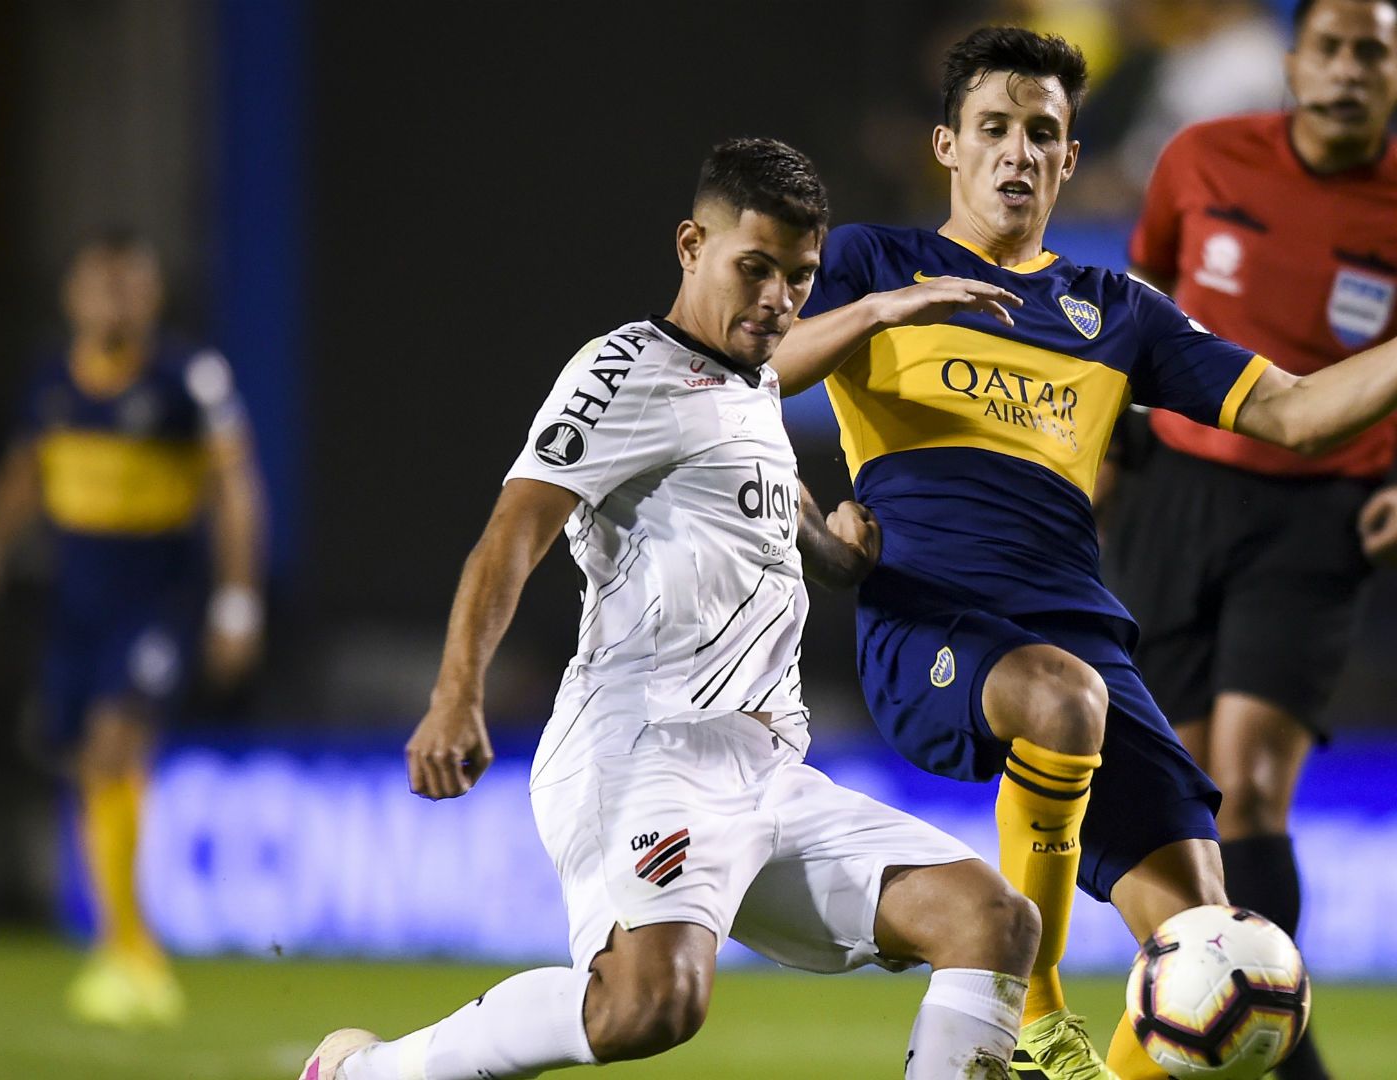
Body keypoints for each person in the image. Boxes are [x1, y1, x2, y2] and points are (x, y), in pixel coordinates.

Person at [769, 25, 1397, 1080]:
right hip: (931, 618)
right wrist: (883, 312)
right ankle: (1029, 1021)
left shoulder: (1114, 312)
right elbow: (755, 361)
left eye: (1042, 132)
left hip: (1084, 641)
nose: (1017, 151)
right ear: (948, 146)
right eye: (993, 128)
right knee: (1059, 702)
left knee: (1222, 954)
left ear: (1070, 158)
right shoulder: (872, 263)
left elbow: (1296, 413)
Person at [300, 138, 1043, 1080]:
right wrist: (457, 695)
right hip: (648, 750)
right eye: (755, 269)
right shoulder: (624, 373)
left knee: (994, 920)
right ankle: (365, 1075)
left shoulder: (752, 382)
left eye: (799, 278)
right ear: (691, 244)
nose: (777, 298)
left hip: (768, 768)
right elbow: (511, 535)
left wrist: (835, 552)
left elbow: (765, 515)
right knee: (652, 1004)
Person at [1102, 2, 1397, 1075]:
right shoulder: (1198, 161)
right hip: (1178, 490)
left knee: (1251, 780)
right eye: (1329, 47)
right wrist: (1108, 445)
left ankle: (1270, 1049)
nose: (1347, 69)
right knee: (1178, 791)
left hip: (1323, 510)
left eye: (1371, 51)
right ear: (1294, 63)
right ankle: (1245, 1035)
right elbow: (1144, 302)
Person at [0, 229, 266, 1027]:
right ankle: (118, 945)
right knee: (88, 764)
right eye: (103, 286)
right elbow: (26, 472)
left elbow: (236, 489)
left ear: (153, 296)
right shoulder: (53, 383)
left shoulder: (185, 379)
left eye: (131, 286)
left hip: (157, 598)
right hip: (76, 601)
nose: (116, 301)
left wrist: (237, 602)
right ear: (74, 296)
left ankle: (134, 953)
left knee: (113, 740)